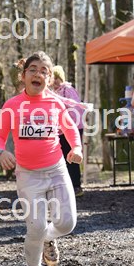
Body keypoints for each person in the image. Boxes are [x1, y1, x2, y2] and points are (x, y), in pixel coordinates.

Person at [0, 51, 82, 266]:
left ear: (49, 79)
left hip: (56, 170)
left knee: (67, 223)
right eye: (33, 70)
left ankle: (48, 238)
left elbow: (70, 129)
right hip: (28, 175)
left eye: (44, 71)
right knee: (36, 226)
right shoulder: (12, 105)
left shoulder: (55, 103)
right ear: (23, 76)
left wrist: (76, 147)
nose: (38, 74)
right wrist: (1, 152)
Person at [51, 65, 85, 197]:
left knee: (72, 157)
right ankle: (66, 186)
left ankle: (76, 186)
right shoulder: (54, 91)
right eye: (53, 78)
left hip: (73, 128)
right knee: (63, 158)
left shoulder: (67, 90)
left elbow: (75, 108)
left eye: (57, 78)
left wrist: (68, 125)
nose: (55, 81)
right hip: (60, 130)